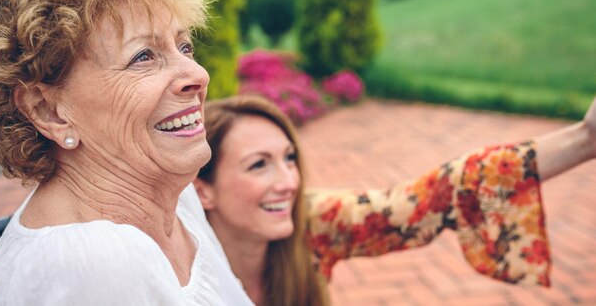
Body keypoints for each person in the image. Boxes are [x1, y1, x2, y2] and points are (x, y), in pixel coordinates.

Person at [0, 0, 254, 305]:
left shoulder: (171, 193)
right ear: (48, 111)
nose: (197, 75)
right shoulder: (94, 264)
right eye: (143, 57)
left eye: (184, 46)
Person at [194, 94, 596, 306]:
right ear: (202, 190)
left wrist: (585, 139)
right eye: (259, 165)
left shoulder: (313, 222)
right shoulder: (171, 265)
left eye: (289, 159)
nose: (288, 182)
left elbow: (440, 194)